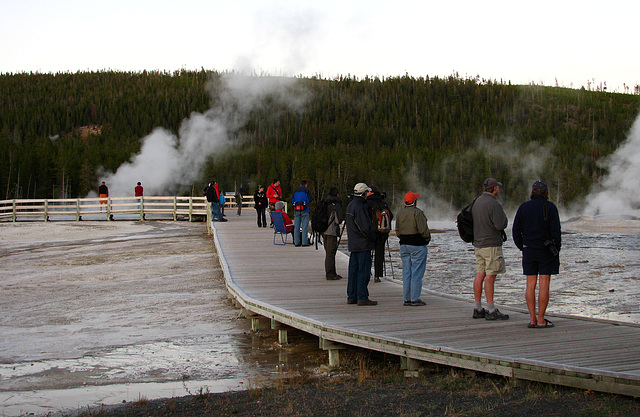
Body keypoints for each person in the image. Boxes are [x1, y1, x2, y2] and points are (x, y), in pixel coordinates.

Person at [513, 180, 561, 329]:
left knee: (530, 284)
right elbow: (556, 232)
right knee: (544, 285)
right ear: (546, 192)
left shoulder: (524, 207)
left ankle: (532, 319)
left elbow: (516, 230)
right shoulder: (551, 207)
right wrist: (556, 249)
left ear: (533, 191)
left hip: (529, 249)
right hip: (546, 250)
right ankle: (541, 320)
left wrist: (522, 246)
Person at [471, 178, 509, 320]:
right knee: (491, 276)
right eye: (497, 187)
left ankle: (478, 308)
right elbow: (500, 224)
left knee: (480, 274)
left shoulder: (477, 202)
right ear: (494, 189)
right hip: (491, 245)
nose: (498, 190)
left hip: (478, 244)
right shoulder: (493, 203)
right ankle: (491, 310)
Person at [395, 192, 430, 306]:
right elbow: (423, 230)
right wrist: (426, 240)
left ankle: (407, 298)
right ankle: (415, 298)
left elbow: (397, 231)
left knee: (406, 272)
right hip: (417, 246)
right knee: (417, 273)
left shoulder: (400, 213)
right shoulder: (418, 213)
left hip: (404, 245)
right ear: (414, 202)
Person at [345, 182, 377, 306]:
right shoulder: (360, 206)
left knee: (353, 271)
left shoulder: (350, 205)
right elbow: (364, 227)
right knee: (363, 271)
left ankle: (351, 296)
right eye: (366, 193)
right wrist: (373, 237)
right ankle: (362, 297)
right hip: (363, 244)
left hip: (353, 243)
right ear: (363, 193)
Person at [367, 185, 393, 282]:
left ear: (371, 192)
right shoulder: (383, 203)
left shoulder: (367, 203)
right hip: (382, 232)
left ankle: (367, 272)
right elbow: (391, 215)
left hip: (371, 232)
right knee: (379, 253)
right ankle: (377, 275)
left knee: (367, 253)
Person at [323, 187, 343, 280]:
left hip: (323, 230)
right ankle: (330, 274)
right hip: (331, 231)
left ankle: (333, 272)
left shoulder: (325, 202)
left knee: (328, 253)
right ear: (337, 194)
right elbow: (338, 220)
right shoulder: (336, 205)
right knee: (331, 254)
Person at [291, 180, 313, 247]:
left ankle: (296, 242)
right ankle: (304, 242)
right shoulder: (307, 190)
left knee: (296, 226)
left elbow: (292, 200)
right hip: (305, 210)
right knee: (304, 227)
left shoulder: (295, 190)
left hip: (296, 210)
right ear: (306, 184)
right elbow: (310, 199)